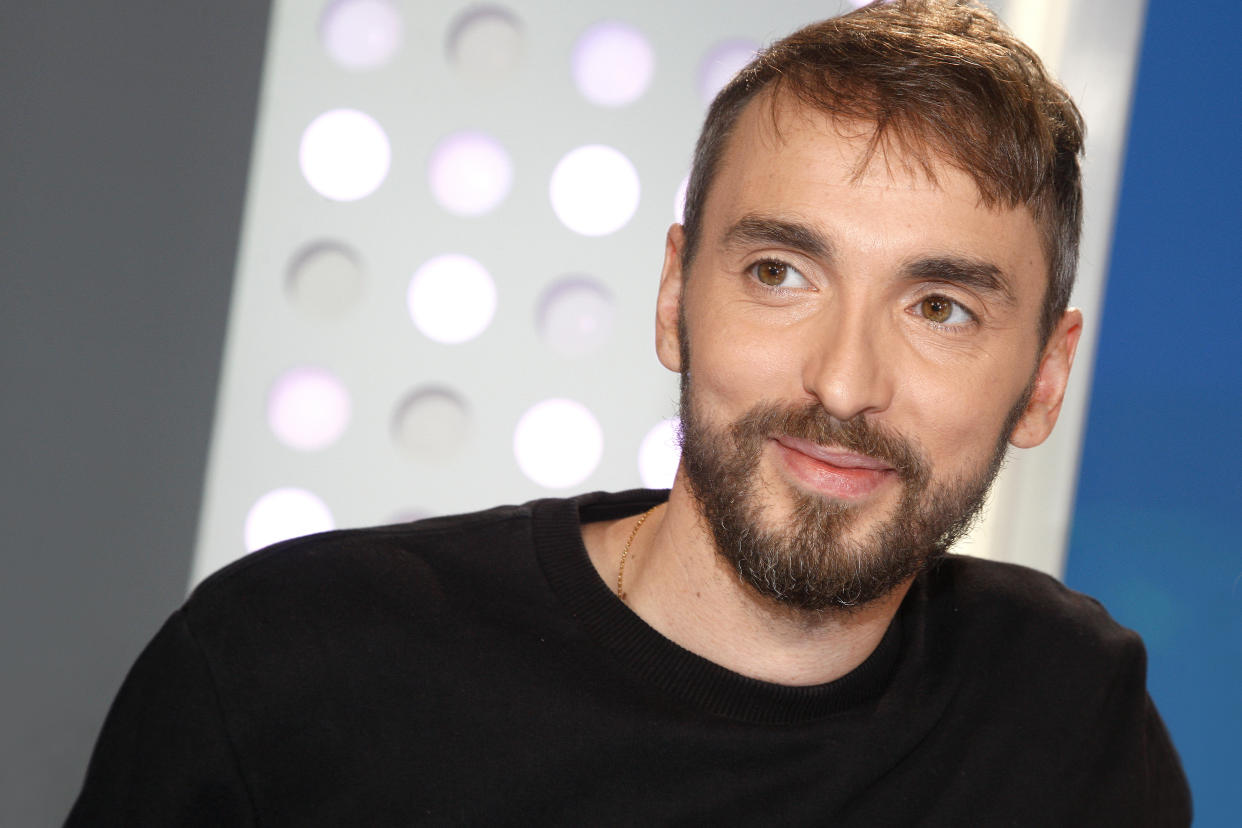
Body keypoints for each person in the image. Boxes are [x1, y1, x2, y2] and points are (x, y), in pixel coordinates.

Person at [66, 1, 1191, 824]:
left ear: (1044, 377)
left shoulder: (1068, 718)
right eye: (781, 274)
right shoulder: (287, 667)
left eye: (940, 306)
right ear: (673, 295)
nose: (844, 384)